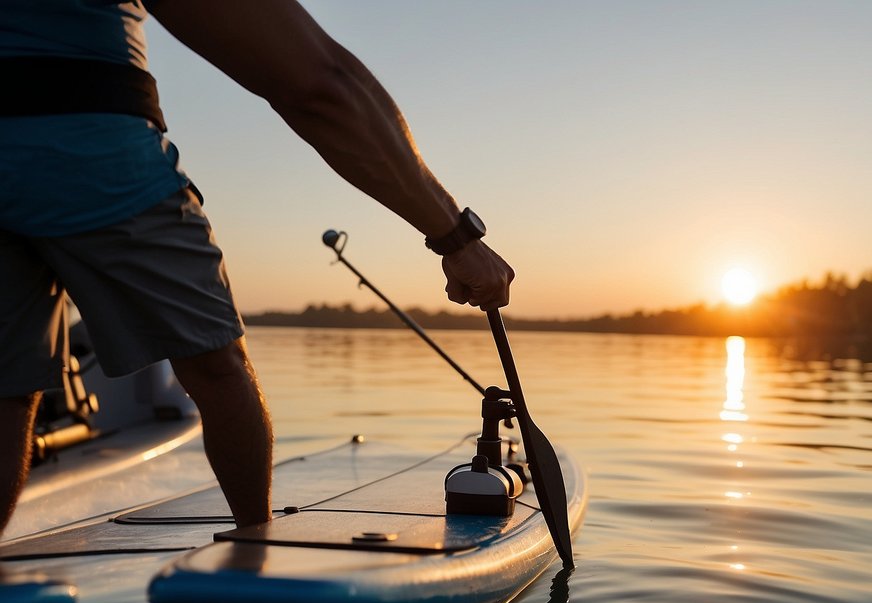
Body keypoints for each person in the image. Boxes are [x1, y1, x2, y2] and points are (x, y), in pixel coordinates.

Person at [0, 0, 514, 534]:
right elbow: (318, 83)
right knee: (218, 370)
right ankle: (255, 550)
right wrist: (455, 237)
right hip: (97, 163)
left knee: (7, 390)